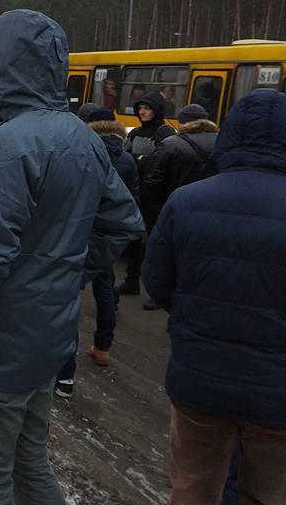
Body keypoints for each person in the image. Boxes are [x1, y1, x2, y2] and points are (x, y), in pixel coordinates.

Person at [0, 10, 144, 503]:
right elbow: (124, 222)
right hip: (47, 342)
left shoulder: (8, 147)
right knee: (30, 466)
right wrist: (64, 272)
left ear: (14, 70)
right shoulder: (84, 139)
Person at [143, 88, 286, 505]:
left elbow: (158, 281)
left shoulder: (186, 201)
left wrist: (194, 313)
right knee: (267, 493)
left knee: (193, 487)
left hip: (198, 377)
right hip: (277, 388)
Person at [55, 105, 140, 396]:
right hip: (104, 242)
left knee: (66, 304)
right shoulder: (126, 157)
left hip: (77, 235)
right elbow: (131, 206)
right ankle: (103, 346)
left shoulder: (79, 151)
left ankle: (65, 375)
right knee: (105, 292)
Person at [118, 92, 176, 305]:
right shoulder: (136, 132)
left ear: (157, 110)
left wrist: (141, 161)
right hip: (136, 192)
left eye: (147, 108)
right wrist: (140, 161)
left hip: (156, 196)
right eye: (140, 108)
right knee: (134, 238)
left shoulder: (166, 133)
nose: (142, 112)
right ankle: (132, 280)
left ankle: (156, 292)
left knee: (155, 242)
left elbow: (161, 163)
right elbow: (127, 157)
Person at [141, 103, 219, 227]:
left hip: (176, 207)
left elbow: (152, 180)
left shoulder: (171, 144)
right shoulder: (221, 142)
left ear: (181, 122)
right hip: (211, 208)